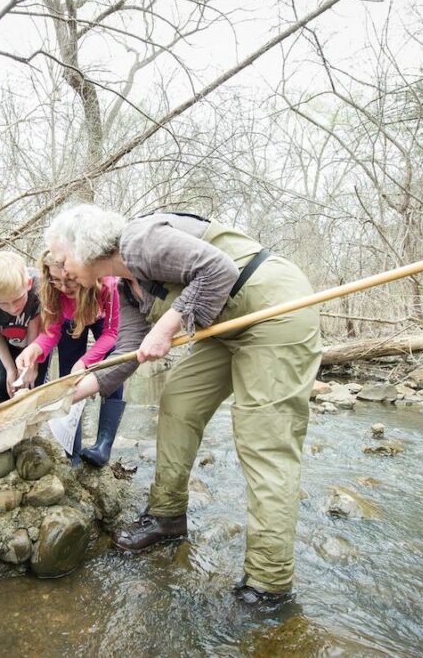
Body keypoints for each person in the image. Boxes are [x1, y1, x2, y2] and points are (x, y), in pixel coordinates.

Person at [46, 205, 322, 605]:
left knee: (264, 441)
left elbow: (219, 269)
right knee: (178, 401)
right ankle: (167, 516)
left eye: (62, 258)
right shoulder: (125, 287)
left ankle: (268, 583)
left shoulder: (139, 240)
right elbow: (125, 354)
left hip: (276, 313)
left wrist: (166, 326)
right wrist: (66, 393)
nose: (61, 269)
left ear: (84, 245)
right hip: (225, 330)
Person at [15, 249, 124, 466]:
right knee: (69, 375)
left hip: (101, 316)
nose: (64, 287)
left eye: (69, 280)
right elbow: (51, 331)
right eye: (56, 280)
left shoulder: (109, 285)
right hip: (69, 321)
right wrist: (34, 349)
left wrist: (86, 361)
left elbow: (111, 334)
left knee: (113, 366)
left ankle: (103, 444)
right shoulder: (52, 290)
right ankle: (71, 451)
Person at [0, 251, 50, 405]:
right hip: (8, 345)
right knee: (4, 383)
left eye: (17, 299)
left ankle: (31, 425)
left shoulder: (39, 288)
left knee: (34, 383)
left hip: (36, 343)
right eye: (3, 303)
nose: (13, 308)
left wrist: (32, 366)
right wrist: (10, 369)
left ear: (28, 284)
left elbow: (35, 325)